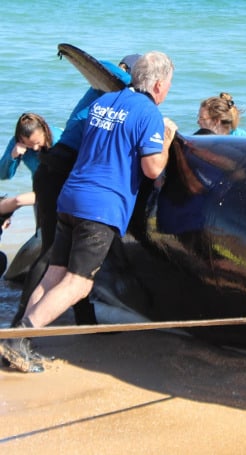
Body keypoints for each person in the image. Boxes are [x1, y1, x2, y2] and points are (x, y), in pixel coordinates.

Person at [0, 51, 177, 373]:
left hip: (70, 197)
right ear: (158, 85)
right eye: (168, 86)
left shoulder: (102, 103)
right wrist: (166, 142)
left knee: (55, 275)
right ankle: (16, 340)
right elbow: (152, 169)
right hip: (101, 207)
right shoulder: (148, 112)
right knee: (79, 283)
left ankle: (18, 336)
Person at [12, 53, 141, 328]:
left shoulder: (118, 102)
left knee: (67, 257)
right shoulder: (103, 86)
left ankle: (84, 320)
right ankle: (17, 325)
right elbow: (103, 67)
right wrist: (128, 77)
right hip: (56, 169)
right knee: (50, 255)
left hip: (64, 171)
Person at [0, 113, 62, 181]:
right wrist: (12, 156)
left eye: (38, 142)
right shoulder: (17, 142)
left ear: (45, 132)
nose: (35, 148)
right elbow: (2, 175)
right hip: (41, 185)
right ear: (21, 140)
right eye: (29, 144)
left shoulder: (59, 140)